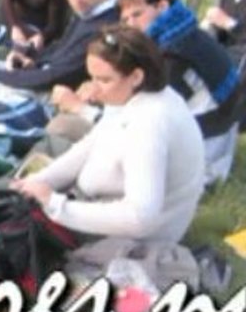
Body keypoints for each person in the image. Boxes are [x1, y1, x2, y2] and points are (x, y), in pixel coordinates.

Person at [12, 26, 205, 243]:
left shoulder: (149, 126)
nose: (93, 89)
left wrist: (56, 205)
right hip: (97, 205)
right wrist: (36, 183)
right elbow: (91, 144)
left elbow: (141, 217)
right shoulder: (133, 95)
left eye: (103, 80)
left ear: (136, 76)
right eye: (91, 78)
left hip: (128, 240)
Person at [52, 0, 241, 183]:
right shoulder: (183, 34)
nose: (132, 25)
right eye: (126, 19)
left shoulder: (173, 55)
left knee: (63, 128)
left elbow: (137, 123)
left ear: (162, 6)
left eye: (137, 14)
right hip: (207, 142)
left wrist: (82, 107)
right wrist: (100, 89)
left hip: (197, 161)